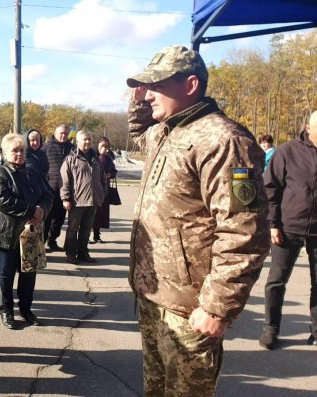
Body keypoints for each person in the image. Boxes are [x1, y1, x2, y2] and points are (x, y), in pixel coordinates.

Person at [127, 45, 270, 397]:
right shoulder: (166, 131)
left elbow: (244, 231)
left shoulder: (224, 140)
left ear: (190, 85)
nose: (149, 93)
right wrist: (138, 105)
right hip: (154, 294)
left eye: (157, 85)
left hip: (191, 308)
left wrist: (217, 307)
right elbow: (138, 137)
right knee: (155, 390)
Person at [259, 111, 317, 350]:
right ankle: (271, 330)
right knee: (276, 281)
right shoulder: (287, 151)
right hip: (288, 227)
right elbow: (270, 189)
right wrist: (273, 223)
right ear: (308, 128)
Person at [0, 133, 52, 329]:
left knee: (29, 274)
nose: (19, 154)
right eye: (15, 150)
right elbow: (3, 200)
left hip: (30, 234)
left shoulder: (32, 173)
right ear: (5, 153)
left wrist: (42, 210)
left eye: (22, 150)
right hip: (7, 234)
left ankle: (26, 308)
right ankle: (6, 310)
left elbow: (47, 194)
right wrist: (32, 210)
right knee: (5, 275)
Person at [60, 130, 106, 264]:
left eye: (89, 139)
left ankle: (83, 253)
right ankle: (70, 253)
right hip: (76, 201)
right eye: (85, 139)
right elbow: (64, 180)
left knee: (86, 230)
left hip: (93, 201)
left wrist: (102, 193)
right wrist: (66, 198)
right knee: (73, 229)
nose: (87, 142)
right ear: (78, 141)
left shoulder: (96, 159)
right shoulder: (70, 159)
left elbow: (103, 177)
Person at [41, 124, 73, 251]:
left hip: (65, 190)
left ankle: (52, 240)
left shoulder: (72, 148)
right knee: (46, 219)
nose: (63, 135)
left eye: (65, 133)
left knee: (59, 219)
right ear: (55, 133)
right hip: (49, 189)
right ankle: (42, 244)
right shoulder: (47, 147)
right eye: (61, 133)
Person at [91, 137, 117, 244]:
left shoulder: (108, 158)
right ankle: (86, 235)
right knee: (91, 213)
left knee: (100, 214)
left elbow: (113, 170)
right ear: (98, 145)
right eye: (102, 145)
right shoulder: (93, 155)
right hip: (93, 188)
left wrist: (110, 174)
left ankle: (97, 235)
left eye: (106, 146)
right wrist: (101, 155)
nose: (104, 148)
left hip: (104, 189)